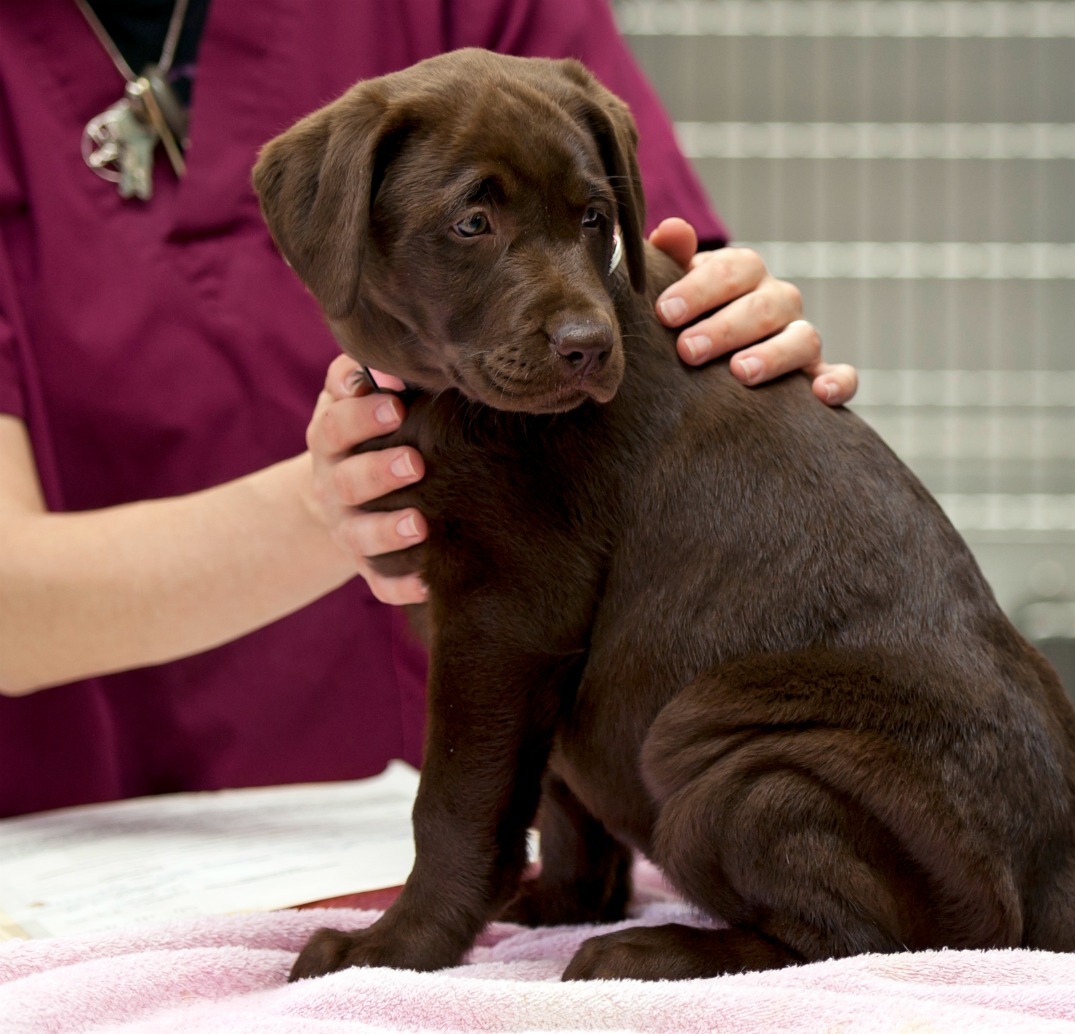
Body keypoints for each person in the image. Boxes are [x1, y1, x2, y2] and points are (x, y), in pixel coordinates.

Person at [0, 0, 856, 817]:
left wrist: (725, 336)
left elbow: (643, 276)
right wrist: (340, 501)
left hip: (552, 804)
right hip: (109, 851)